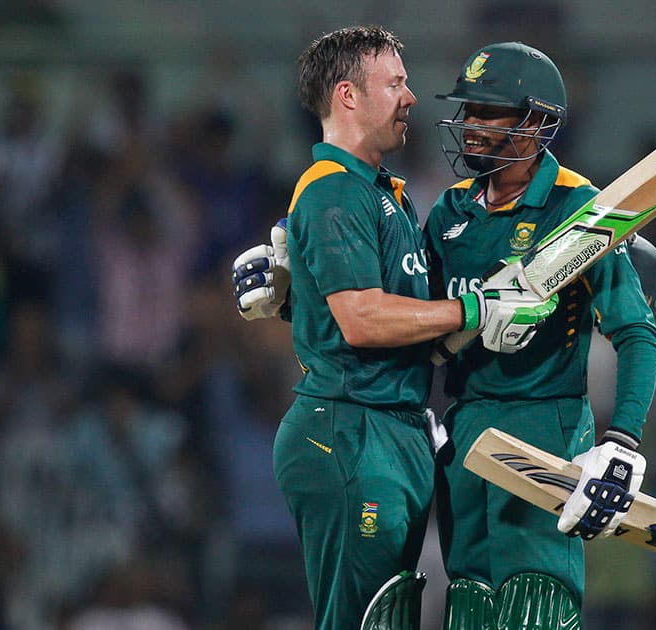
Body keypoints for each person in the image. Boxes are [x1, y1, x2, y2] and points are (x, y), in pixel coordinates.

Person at [230, 27, 558, 629]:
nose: (411, 98)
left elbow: (387, 311)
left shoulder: (386, 195)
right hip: (349, 429)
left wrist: (293, 293)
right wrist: (477, 311)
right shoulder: (334, 190)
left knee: (391, 619)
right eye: (396, 83)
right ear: (348, 95)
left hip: (392, 429)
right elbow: (361, 318)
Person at [424, 42, 656, 627]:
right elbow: (411, 323)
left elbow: (638, 335)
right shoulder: (449, 212)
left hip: (545, 426)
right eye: (468, 111)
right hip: (464, 427)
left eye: (489, 113)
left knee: (536, 599)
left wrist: (622, 444)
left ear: (536, 122)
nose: (470, 126)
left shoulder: (579, 208)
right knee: (469, 601)